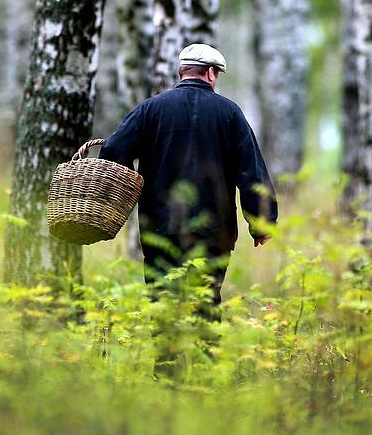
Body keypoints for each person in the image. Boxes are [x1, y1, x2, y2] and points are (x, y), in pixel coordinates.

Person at [99, 44, 278, 317]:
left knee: (163, 307)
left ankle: (166, 360)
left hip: (160, 228)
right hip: (214, 232)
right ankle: (204, 356)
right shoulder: (230, 113)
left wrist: (126, 191)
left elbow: (112, 150)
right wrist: (261, 223)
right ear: (210, 73)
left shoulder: (151, 109)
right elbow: (251, 172)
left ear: (181, 72)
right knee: (205, 307)